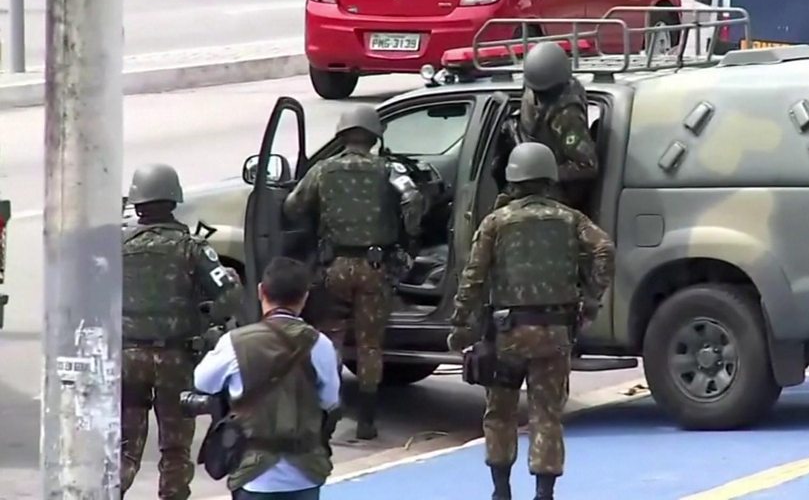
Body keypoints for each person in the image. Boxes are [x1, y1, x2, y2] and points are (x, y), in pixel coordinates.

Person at [447, 143, 615, 500]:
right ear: (550, 177)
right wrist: (591, 298)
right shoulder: (571, 218)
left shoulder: (496, 222)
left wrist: (461, 324)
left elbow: (473, 277)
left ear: (513, 177)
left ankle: (502, 491)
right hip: (555, 333)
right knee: (547, 415)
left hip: (507, 334)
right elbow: (604, 249)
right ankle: (544, 493)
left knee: (500, 413)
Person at [283, 104, 424, 440]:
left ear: (343, 135)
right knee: (369, 344)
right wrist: (409, 233)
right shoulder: (387, 170)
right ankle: (367, 420)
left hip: (334, 267)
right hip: (375, 268)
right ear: (375, 136)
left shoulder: (323, 170)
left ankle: (327, 413)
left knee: (330, 337)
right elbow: (414, 200)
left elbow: (292, 206)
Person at [121, 163, 245, 500]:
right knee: (175, 448)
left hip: (128, 357)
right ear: (173, 200)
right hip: (176, 359)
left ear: (137, 202)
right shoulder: (192, 247)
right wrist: (208, 317)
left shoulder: (118, 246)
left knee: (125, 446)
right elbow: (230, 295)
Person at [194, 256, 342, 500]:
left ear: (261, 291)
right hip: (305, 472)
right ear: (305, 296)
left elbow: (202, 382)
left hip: (254, 475)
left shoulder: (235, 343)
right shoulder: (320, 344)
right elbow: (329, 401)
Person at [495, 42, 599, 211]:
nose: (537, 95)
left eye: (542, 92)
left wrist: (542, 170)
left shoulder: (567, 114)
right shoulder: (535, 83)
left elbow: (587, 166)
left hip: (551, 192)